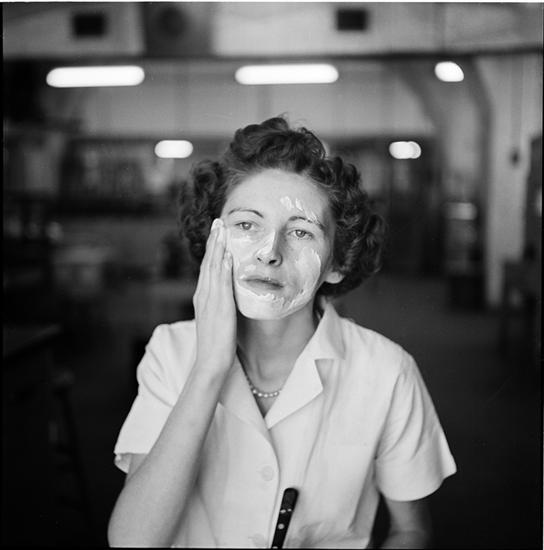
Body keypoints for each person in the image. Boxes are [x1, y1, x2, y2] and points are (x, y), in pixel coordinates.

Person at [108, 116, 456, 548]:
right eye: (246, 225)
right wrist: (208, 369)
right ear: (212, 238)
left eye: (301, 232)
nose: (269, 252)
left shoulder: (387, 372)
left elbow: (411, 530)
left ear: (337, 262)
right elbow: (131, 541)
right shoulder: (171, 351)